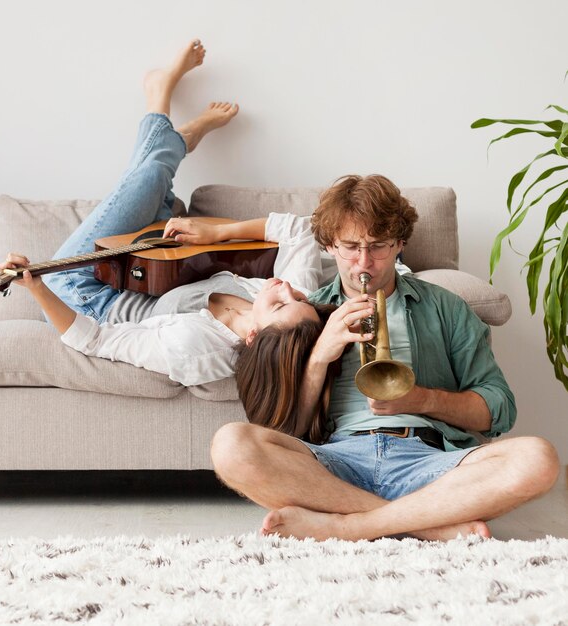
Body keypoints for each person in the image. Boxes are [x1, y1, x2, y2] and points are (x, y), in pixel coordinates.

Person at [213, 174, 561, 542]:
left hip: (429, 461)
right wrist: (320, 356)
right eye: (350, 246)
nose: (364, 263)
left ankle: (349, 524)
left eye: (378, 246)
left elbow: (499, 409)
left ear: (399, 244)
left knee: (539, 458)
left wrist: (421, 399)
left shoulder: (446, 307)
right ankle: (424, 524)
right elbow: (282, 431)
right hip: (337, 464)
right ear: (330, 245)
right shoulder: (306, 312)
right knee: (229, 446)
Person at [0, 40, 326, 386]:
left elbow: (95, 339)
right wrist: (215, 234)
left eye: (281, 303)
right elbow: (301, 232)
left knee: (150, 175)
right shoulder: (293, 303)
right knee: (153, 187)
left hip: (86, 296)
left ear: (253, 336)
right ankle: (173, 130)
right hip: (145, 271)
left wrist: (36, 287)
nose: (287, 288)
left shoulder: (194, 349)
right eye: (300, 297)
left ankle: (166, 110)